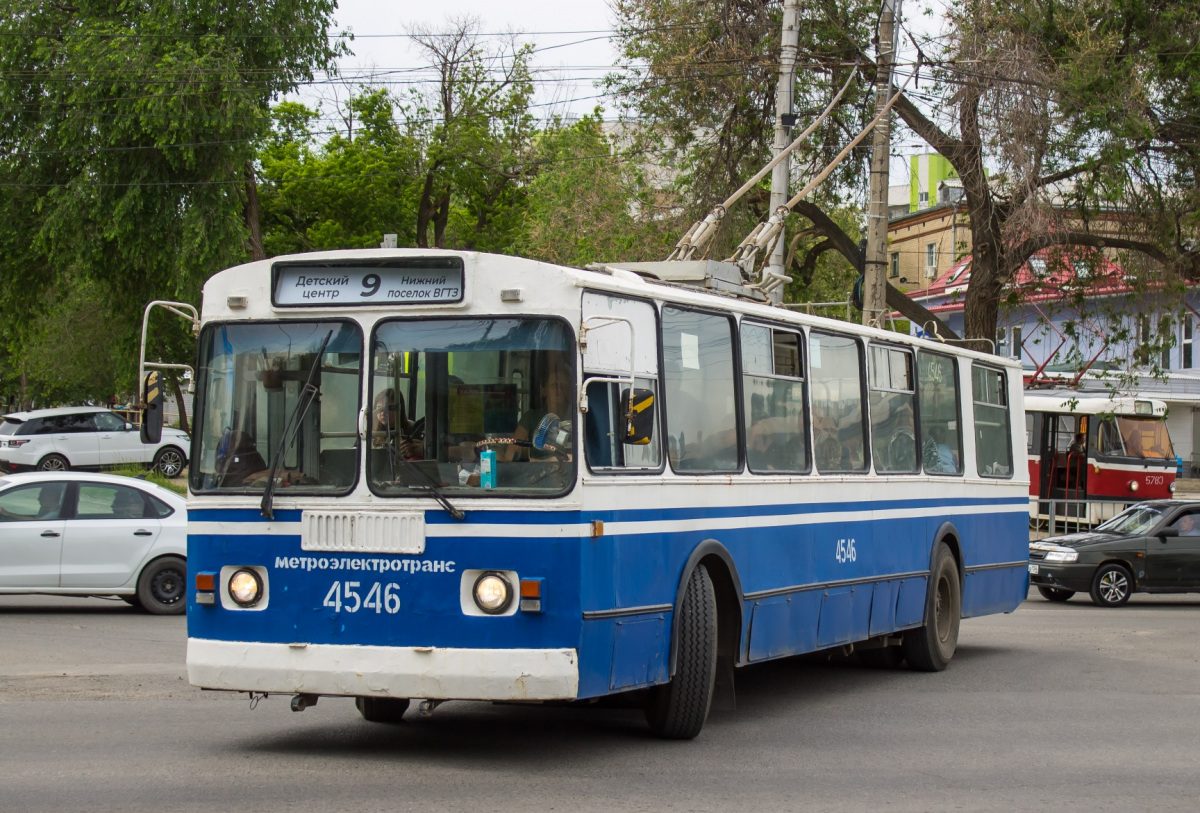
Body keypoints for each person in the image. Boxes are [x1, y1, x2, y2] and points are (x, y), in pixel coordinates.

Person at [371, 388, 423, 461]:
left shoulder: (412, 431)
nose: (383, 413)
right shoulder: (370, 433)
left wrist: (410, 451)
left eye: (389, 408)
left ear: (400, 409)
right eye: (379, 408)